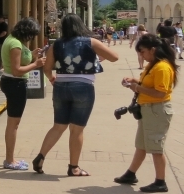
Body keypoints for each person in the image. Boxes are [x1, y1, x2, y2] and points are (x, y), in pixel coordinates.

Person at [31, 13, 120, 176]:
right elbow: (115, 57)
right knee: (77, 130)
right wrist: (95, 58)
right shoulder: (91, 42)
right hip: (83, 86)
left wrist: (52, 80)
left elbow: (47, 68)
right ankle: (74, 167)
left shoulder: (56, 45)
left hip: (61, 86)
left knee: (58, 126)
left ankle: (41, 156)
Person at [115, 34, 179, 193]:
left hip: (157, 110)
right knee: (142, 145)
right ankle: (130, 174)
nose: (141, 55)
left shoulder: (162, 67)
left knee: (156, 147)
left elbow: (160, 93)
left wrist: (137, 88)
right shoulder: (153, 65)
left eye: (142, 52)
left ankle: (160, 181)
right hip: (148, 109)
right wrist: (135, 81)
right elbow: (148, 84)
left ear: (153, 50)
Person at [0, 18, 47, 170]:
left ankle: (10, 158)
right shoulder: (15, 44)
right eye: (31, 35)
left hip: (11, 82)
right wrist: (36, 64)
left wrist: (32, 55)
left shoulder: (12, 40)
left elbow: (19, 62)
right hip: (15, 83)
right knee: (13, 124)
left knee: (13, 123)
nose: (31, 38)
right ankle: (9, 160)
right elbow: (17, 70)